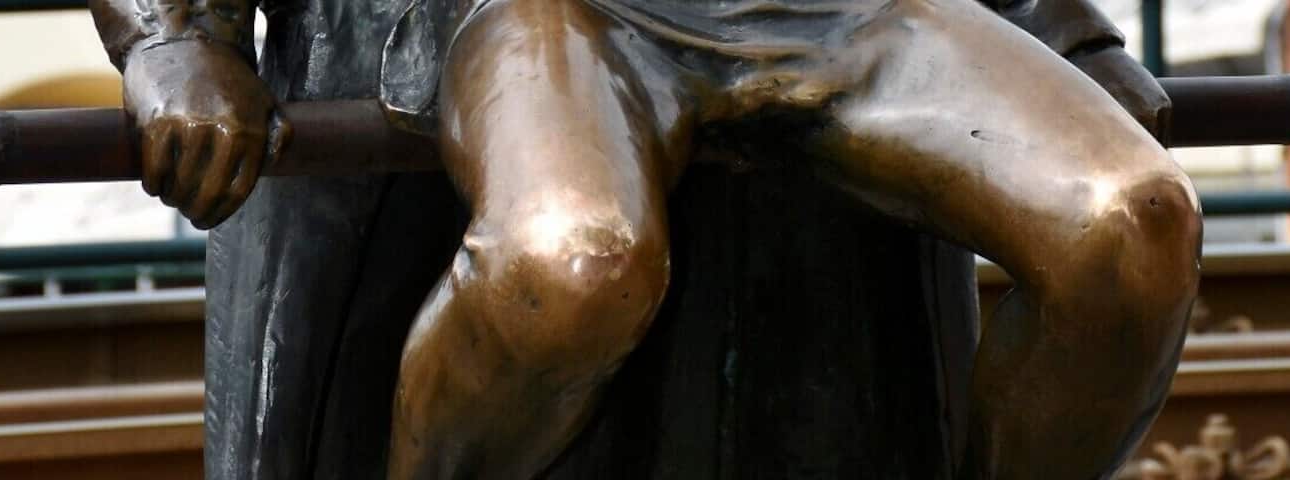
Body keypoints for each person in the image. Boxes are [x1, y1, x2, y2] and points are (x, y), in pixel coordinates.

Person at [92, 0, 1201, 477]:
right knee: (570, 264)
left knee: (1129, 230)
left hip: (856, 9)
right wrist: (178, 33)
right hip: (525, 14)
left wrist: (1064, 29)